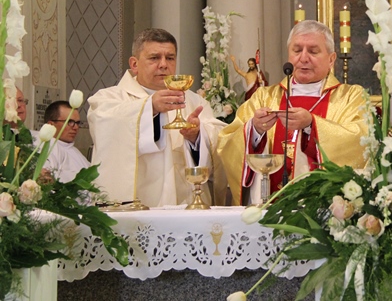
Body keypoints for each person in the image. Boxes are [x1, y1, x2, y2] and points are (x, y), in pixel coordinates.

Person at [218, 20, 368, 205]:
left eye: (313, 51)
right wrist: (254, 131)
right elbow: (227, 143)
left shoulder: (351, 97)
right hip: (270, 206)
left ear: (331, 59)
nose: (303, 58)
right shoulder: (264, 97)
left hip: (325, 210)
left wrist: (312, 125)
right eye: (297, 50)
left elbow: (361, 141)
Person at [87, 28, 228, 207]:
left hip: (186, 208)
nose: (163, 65)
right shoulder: (108, 99)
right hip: (138, 207)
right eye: (154, 58)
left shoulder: (194, 101)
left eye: (170, 58)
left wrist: (197, 137)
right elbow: (104, 129)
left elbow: (222, 142)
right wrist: (150, 108)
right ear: (134, 64)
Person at [42, 100, 90, 183]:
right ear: (51, 125)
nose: (75, 127)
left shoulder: (75, 151)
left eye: (77, 123)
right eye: (70, 122)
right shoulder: (47, 148)